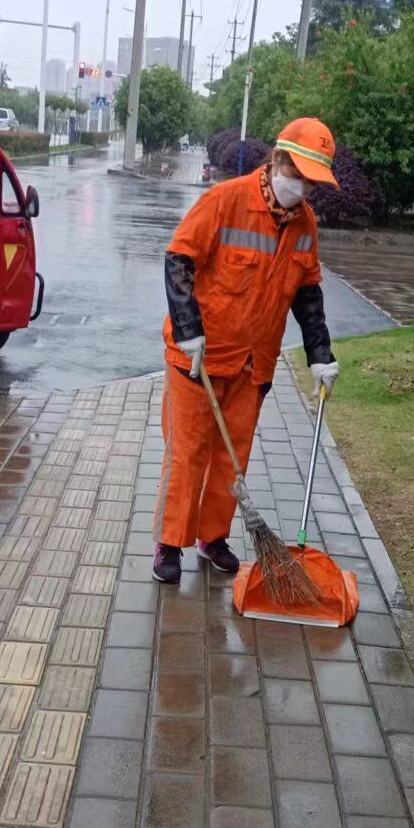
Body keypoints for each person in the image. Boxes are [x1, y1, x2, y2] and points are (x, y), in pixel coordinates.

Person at [151, 117, 341, 585]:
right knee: (188, 453)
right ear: (276, 160)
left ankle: (212, 537)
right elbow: (179, 259)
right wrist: (188, 329)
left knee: (232, 456)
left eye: (312, 183)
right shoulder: (225, 200)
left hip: (253, 363)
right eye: (298, 176)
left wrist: (320, 354)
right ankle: (169, 543)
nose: (303, 189)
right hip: (197, 358)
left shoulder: (305, 224)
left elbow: (307, 292)